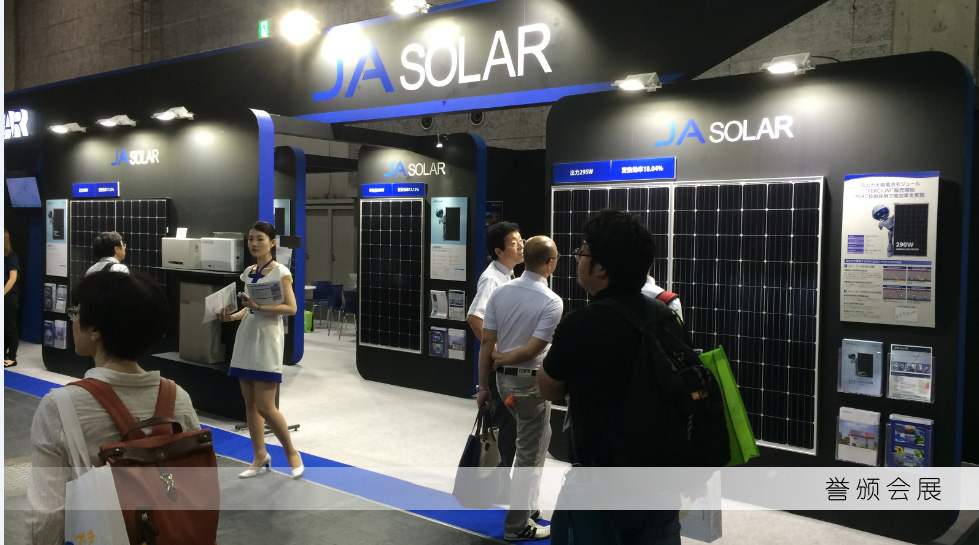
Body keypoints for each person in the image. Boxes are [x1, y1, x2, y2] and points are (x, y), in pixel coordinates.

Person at [538, 210, 681, 545]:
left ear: (600, 267)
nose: (577, 259)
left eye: (582, 252)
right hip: (661, 476)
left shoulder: (582, 324)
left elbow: (548, 387)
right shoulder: (665, 317)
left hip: (601, 479)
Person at [27, 271, 201, 545]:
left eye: (77, 312)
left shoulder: (59, 406)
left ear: (95, 329)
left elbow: (47, 516)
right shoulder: (178, 398)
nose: (73, 319)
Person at [477, 236, 563, 541]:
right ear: (551, 263)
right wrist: (505, 358)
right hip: (530, 386)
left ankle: (529, 506)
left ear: (526, 258)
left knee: (538, 440)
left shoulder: (501, 292)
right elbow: (532, 349)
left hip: (504, 384)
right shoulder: (551, 301)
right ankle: (516, 526)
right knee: (530, 454)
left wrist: (483, 385)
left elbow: (487, 342)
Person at [218, 221, 304, 479]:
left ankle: (292, 453)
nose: (254, 244)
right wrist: (232, 316)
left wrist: (259, 307)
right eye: (251, 239)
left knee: (266, 406)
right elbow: (248, 309)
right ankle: (259, 455)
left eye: (260, 239)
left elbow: (291, 308)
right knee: (250, 404)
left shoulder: (281, 272)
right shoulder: (249, 272)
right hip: (247, 336)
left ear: (272, 242)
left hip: (268, 338)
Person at [466, 221, 523, 467]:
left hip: (509, 363)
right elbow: (474, 317)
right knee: (504, 430)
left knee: (510, 430)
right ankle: (496, 482)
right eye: (514, 243)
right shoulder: (492, 279)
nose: (521, 246)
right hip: (501, 368)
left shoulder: (508, 275)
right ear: (499, 251)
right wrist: (497, 350)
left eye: (521, 241)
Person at [5, 228, 21, 367]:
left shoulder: (12, 257)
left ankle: (11, 357)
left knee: (10, 327)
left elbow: (12, 278)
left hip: (9, 295)